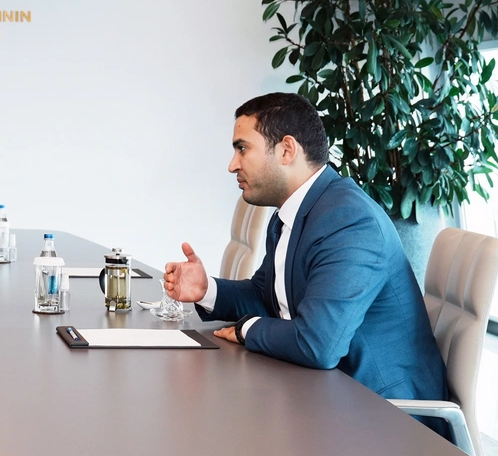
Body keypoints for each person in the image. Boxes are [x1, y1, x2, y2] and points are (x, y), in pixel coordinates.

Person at [163, 92, 447, 402]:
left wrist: (247, 330)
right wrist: (207, 290)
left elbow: (318, 344)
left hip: (385, 412)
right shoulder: (294, 213)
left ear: (286, 150)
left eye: (242, 149)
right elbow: (265, 297)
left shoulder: (349, 220)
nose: (233, 165)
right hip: (324, 391)